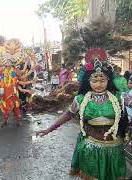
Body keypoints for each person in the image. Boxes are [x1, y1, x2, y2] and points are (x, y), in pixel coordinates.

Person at [36, 48, 128, 180]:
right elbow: (68, 115)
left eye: (102, 80)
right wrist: (48, 129)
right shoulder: (80, 99)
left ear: (108, 81)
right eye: (94, 80)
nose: (98, 84)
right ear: (88, 82)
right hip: (90, 148)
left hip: (114, 150)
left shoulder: (119, 97)